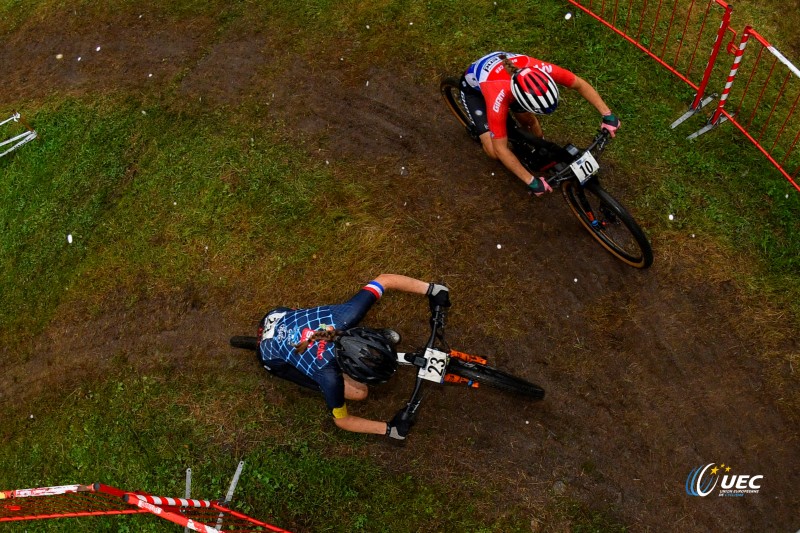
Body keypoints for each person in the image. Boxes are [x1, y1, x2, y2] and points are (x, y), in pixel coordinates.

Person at [256, 274, 451, 440]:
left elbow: (385, 280)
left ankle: (375, 339)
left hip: (276, 317)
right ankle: (318, 386)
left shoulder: (345, 316)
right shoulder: (327, 375)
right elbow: (341, 420)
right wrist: (432, 290)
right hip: (270, 355)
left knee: (343, 383)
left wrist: (433, 289)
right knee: (359, 393)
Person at [458, 51, 621, 195]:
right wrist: (531, 181)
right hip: (476, 91)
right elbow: (500, 150)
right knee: (493, 151)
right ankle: (483, 130)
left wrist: (607, 115)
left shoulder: (542, 69)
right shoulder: (498, 97)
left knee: (528, 120)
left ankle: (538, 146)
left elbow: (579, 84)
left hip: (509, 79)